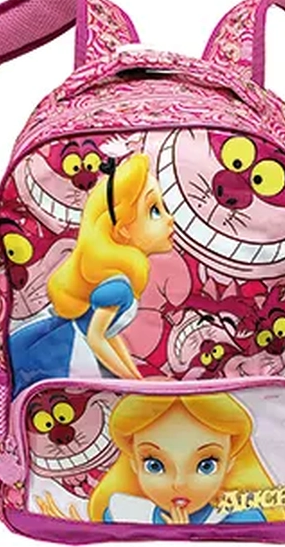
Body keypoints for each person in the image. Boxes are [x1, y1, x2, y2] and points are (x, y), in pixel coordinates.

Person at [9, 154, 174, 396]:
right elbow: (97, 338)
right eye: (155, 211)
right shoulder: (119, 287)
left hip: (79, 351)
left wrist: (136, 379)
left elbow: (111, 335)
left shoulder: (120, 279)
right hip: (69, 352)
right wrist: (134, 382)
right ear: (123, 229)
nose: (170, 219)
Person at [88, 393, 285, 524]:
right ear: (134, 463)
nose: (179, 483)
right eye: (154, 465)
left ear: (230, 463)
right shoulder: (122, 512)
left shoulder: (243, 516)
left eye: (206, 465)